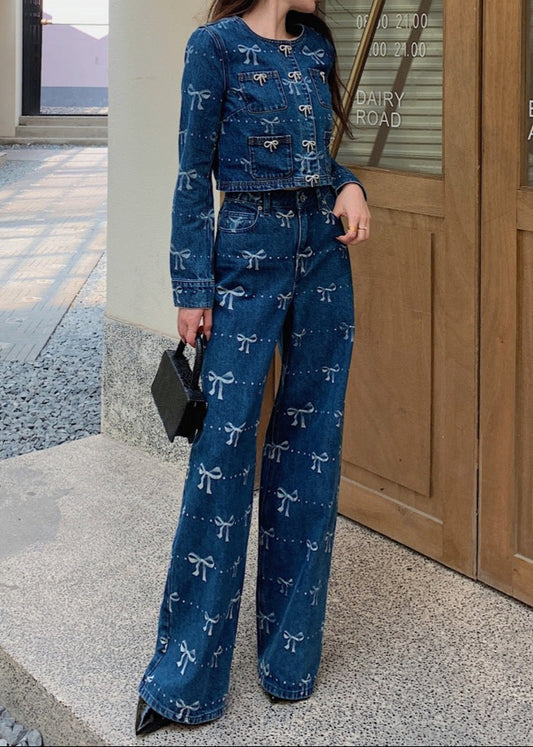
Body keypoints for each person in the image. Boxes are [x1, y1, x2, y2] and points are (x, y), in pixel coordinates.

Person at [135, 0, 371, 734]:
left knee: (311, 451)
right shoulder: (213, 48)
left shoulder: (314, 50)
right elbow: (191, 174)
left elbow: (314, 159)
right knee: (223, 450)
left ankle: (289, 661)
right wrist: (191, 287)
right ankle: (183, 681)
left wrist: (348, 183)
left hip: (323, 262)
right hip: (244, 258)